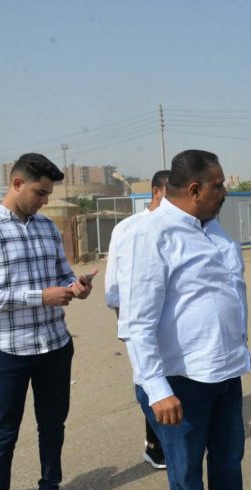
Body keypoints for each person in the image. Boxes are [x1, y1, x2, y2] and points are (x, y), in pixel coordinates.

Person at [0, 153, 94, 490]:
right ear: (17, 183)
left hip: (55, 346)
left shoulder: (47, 227)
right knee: (3, 435)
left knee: (53, 426)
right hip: (8, 352)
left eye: (48, 194)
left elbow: (62, 273)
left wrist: (76, 286)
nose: (45, 200)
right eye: (40, 192)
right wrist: (40, 297)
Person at [117, 150, 251, 490]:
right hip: (181, 381)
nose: (224, 192)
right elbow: (137, 321)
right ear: (194, 190)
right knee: (186, 473)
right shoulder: (151, 234)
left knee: (228, 460)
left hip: (225, 372)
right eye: (218, 186)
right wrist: (157, 388)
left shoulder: (213, 228)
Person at [104, 170, 170, 469]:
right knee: (148, 378)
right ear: (156, 192)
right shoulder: (128, 228)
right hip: (140, 320)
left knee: (170, 378)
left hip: (170, 320)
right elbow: (114, 282)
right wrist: (123, 321)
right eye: (170, 193)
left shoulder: (178, 226)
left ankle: (169, 440)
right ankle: (155, 446)